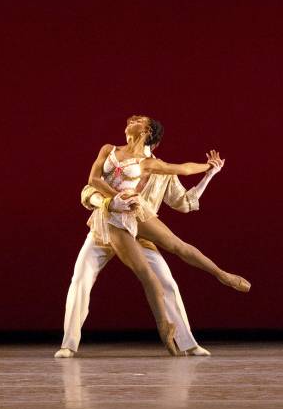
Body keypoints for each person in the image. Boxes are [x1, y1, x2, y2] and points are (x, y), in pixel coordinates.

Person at [80, 115, 249, 355]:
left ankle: (223, 275)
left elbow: (184, 168)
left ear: (147, 131)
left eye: (138, 119)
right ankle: (164, 326)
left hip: (136, 211)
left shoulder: (148, 164)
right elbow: (93, 180)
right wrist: (113, 198)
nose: (131, 119)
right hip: (112, 219)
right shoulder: (109, 150)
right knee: (147, 275)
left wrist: (210, 168)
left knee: (178, 245)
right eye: (132, 118)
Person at [56, 151, 224, 358]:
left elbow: (185, 203)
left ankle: (188, 343)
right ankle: (68, 344)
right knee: (80, 279)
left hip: (140, 234)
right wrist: (109, 202)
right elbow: (89, 189)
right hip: (104, 229)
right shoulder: (117, 161)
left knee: (167, 282)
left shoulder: (162, 170)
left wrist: (209, 175)